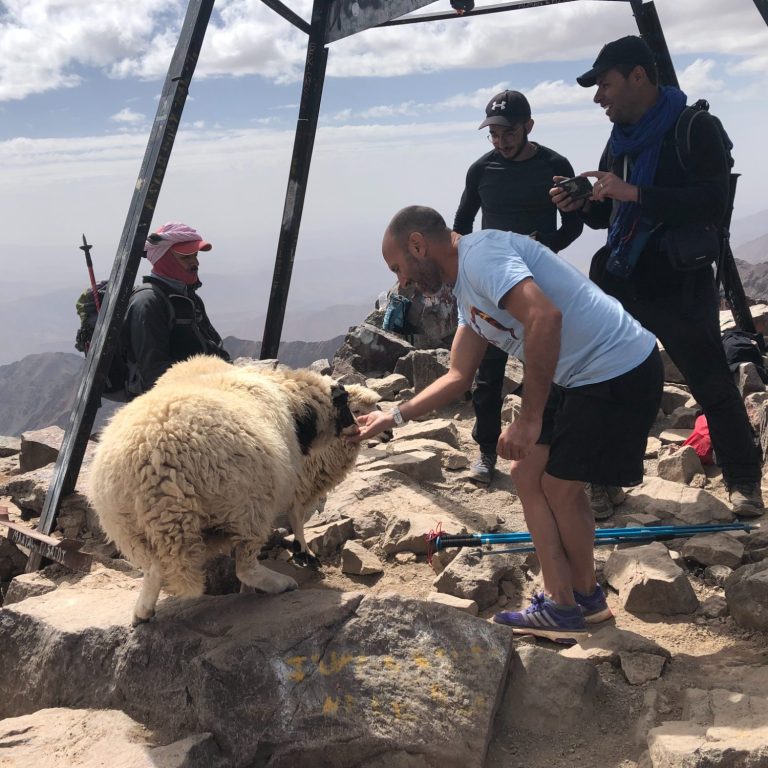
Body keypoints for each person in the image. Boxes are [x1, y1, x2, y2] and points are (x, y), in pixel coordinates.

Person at [354, 206, 663, 643]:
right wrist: (394, 415)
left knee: (559, 486)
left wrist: (530, 418)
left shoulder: (483, 257)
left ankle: (573, 601)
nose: (401, 281)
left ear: (418, 245)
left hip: (615, 369)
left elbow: (543, 317)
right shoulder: (466, 289)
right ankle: (573, 601)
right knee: (525, 472)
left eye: (398, 267)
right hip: (577, 374)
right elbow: (458, 375)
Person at [551, 35, 764, 518]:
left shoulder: (695, 127)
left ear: (638, 76)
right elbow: (609, 216)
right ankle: (605, 483)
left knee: (709, 378)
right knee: (606, 379)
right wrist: (584, 203)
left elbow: (712, 202)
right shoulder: (620, 139)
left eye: (605, 84)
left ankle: (744, 481)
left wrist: (636, 193)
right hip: (623, 274)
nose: (598, 97)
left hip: (678, 279)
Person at [454, 90, 583, 486]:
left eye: (508, 132)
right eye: (492, 133)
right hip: (493, 284)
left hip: (538, 281)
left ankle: (545, 448)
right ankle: (486, 451)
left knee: (546, 366)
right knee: (488, 370)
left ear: (529, 126)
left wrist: (543, 246)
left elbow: (574, 224)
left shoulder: (555, 166)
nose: (500, 141)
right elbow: (461, 224)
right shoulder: (481, 170)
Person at [124, 221, 231, 398]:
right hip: (173, 402)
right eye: (185, 257)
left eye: (195, 255)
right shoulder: (148, 303)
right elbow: (154, 374)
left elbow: (214, 345)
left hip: (204, 389)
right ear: (164, 260)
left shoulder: (187, 297)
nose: (195, 262)